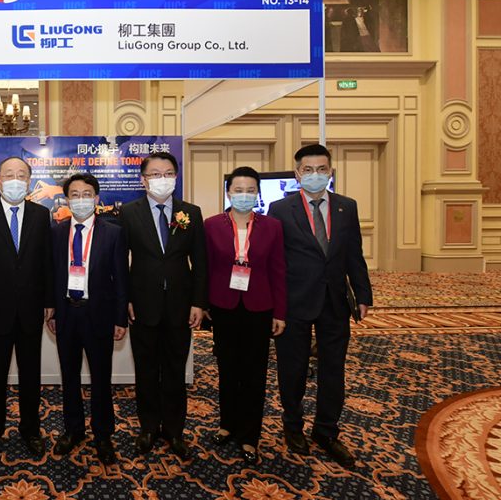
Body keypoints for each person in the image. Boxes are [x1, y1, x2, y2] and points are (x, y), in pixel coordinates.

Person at [267, 143, 373, 468]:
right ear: (298, 174)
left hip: (334, 303)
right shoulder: (280, 209)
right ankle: (293, 426)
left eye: (322, 169)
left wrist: (363, 294)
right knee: (293, 369)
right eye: (308, 170)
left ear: (331, 172)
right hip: (294, 302)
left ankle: (326, 431)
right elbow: (273, 262)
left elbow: (354, 254)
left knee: (334, 370)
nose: (315, 175)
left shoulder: (346, 207)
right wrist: (275, 306)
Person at [0, 156, 54, 463]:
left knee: (31, 375)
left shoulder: (41, 215)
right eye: (9, 175)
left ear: (28, 181)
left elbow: (47, 262)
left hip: (31, 310)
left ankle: (31, 430)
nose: (15, 180)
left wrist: (49, 301)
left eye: (22, 175)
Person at [119, 151, 207, 460]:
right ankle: (148, 427)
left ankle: (174, 430)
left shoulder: (191, 213)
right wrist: (126, 300)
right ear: (143, 180)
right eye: (155, 174)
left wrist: (198, 302)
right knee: (145, 370)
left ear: (176, 177)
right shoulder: (129, 213)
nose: (162, 179)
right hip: (143, 305)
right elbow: (120, 262)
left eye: (168, 173)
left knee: (175, 370)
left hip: (180, 306)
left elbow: (201, 262)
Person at [203, 166, 287, 465]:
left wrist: (280, 312)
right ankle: (227, 424)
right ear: (228, 193)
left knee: (254, 373)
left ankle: (250, 436)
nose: (244, 195)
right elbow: (206, 268)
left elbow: (278, 270)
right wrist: (204, 304)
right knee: (227, 369)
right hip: (223, 306)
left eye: (250, 190)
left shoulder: (272, 227)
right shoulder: (211, 225)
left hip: (259, 307)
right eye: (238, 190)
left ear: (257, 193)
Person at [47, 173, 128, 465]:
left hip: (99, 315)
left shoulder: (114, 233)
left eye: (86, 194)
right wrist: (52, 309)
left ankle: (103, 435)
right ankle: (73, 430)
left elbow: (121, 279)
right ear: (67, 200)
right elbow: (51, 274)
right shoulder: (57, 232)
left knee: (100, 378)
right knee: (69, 376)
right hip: (67, 313)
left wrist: (120, 318)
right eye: (75, 195)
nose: (80, 200)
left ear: (96, 198)